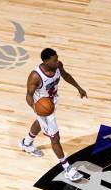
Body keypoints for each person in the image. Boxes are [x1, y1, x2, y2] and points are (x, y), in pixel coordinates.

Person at [20, 48, 87, 181]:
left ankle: (26, 143)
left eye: (57, 58)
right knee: (55, 138)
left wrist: (79, 88)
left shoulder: (57, 66)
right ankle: (67, 168)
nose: (57, 62)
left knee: (40, 124)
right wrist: (36, 108)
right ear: (45, 61)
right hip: (42, 107)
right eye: (54, 60)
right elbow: (28, 95)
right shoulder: (36, 76)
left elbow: (66, 75)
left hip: (52, 102)